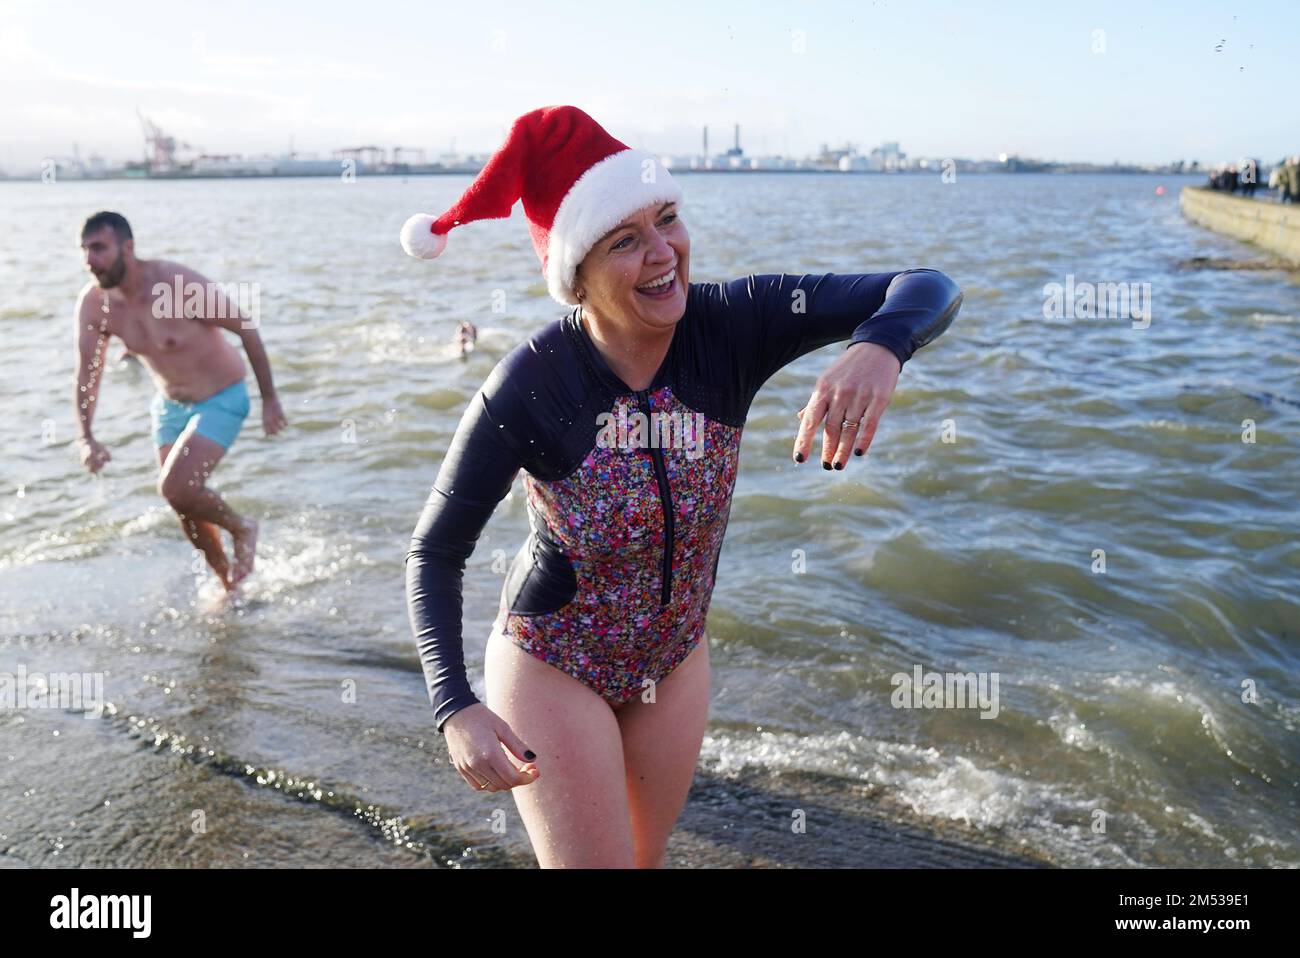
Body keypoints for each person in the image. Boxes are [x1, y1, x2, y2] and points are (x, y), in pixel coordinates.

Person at [400, 106, 963, 868]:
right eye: (625, 240)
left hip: (675, 656)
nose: (664, 253)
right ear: (578, 274)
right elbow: (435, 551)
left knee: (645, 860)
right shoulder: (531, 386)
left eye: (667, 219)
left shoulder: (734, 324)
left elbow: (926, 285)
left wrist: (880, 346)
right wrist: (455, 706)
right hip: (554, 663)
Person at [74, 211, 288, 591]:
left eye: (99, 248)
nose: (90, 260)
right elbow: (88, 373)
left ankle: (243, 528)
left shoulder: (173, 283)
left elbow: (246, 329)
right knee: (183, 505)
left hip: (222, 397)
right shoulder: (94, 305)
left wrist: (270, 399)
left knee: (175, 487)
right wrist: (86, 436)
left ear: (128, 247)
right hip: (169, 405)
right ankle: (228, 584)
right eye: (85, 250)